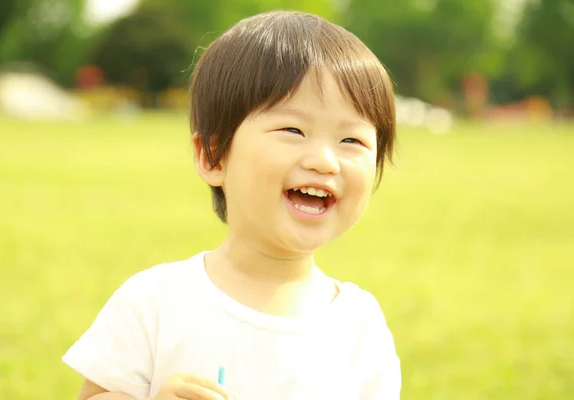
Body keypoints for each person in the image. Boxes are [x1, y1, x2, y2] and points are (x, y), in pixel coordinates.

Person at [63, 10, 400, 400]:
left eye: (352, 141)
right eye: (293, 130)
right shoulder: (155, 302)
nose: (325, 161)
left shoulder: (359, 324)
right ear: (214, 156)